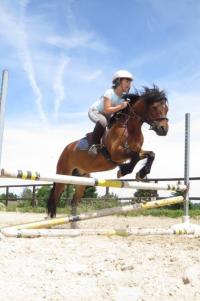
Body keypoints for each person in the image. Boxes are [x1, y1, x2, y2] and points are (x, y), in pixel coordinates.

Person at [88, 70, 134, 156]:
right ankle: (93, 145)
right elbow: (106, 110)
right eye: (127, 81)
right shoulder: (109, 92)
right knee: (103, 122)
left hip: (107, 116)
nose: (129, 84)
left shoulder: (124, 98)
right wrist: (120, 106)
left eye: (130, 82)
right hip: (95, 111)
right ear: (119, 81)